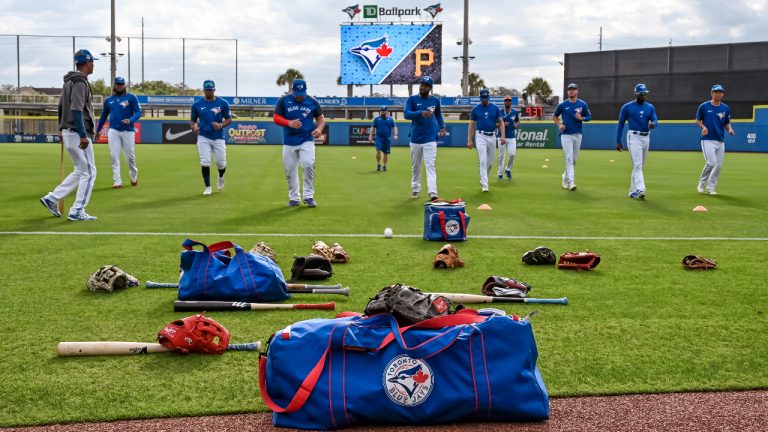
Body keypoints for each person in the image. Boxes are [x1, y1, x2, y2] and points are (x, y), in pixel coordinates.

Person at [39, 49, 99, 221]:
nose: (93, 64)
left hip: (68, 131)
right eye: (92, 62)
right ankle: (77, 210)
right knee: (89, 172)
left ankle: (52, 198)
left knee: (80, 170)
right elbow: (76, 109)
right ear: (87, 62)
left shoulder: (68, 81)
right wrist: (82, 135)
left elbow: (60, 107)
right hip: (77, 132)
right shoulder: (80, 81)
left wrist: (61, 130)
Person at [273, 79, 325, 207]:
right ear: (292, 90)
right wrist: (288, 123)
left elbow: (320, 118)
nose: (300, 96)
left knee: (308, 164)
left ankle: (308, 196)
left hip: (306, 139)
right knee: (290, 170)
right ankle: (294, 198)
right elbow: (276, 117)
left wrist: (319, 129)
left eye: (302, 92)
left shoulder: (312, 101)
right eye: (297, 93)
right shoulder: (284, 100)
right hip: (289, 140)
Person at [404, 75, 446, 200]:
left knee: (430, 165)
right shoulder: (412, 99)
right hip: (416, 138)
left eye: (426, 85)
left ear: (430, 88)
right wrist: (420, 112)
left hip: (430, 138)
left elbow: (438, 115)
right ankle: (415, 188)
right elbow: (406, 114)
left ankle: (433, 193)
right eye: (422, 84)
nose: (423, 87)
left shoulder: (434, 101)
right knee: (416, 166)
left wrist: (442, 126)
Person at [95, 76, 142, 188]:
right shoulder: (108, 100)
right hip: (113, 130)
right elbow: (103, 116)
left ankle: (133, 175)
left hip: (128, 131)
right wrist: (98, 130)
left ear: (124, 85)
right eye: (117, 84)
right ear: (114, 85)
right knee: (114, 155)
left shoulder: (131, 97)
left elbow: (139, 112)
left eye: (121, 84)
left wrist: (130, 120)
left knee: (130, 157)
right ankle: (117, 181)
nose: (119, 86)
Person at [616, 83, 658, 200]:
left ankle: (632, 191)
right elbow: (620, 124)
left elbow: (655, 119)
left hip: (646, 137)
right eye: (641, 93)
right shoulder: (627, 107)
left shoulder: (650, 107)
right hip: (633, 137)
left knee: (639, 166)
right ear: (636, 94)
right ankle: (641, 189)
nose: (644, 95)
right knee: (638, 165)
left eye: (645, 93)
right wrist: (618, 141)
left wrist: (653, 124)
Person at [190, 80, 232, 196]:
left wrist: (221, 125)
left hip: (218, 137)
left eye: (211, 90)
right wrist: (193, 127)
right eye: (207, 90)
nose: (209, 92)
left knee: (221, 163)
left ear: (214, 90)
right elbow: (192, 120)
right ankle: (208, 187)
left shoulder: (223, 103)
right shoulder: (197, 105)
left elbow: (229, 119)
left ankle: (221, 176)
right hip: (203, 136)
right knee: (205, 162)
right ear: (203, 90)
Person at [696, 84, 735, 195]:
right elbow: (697, 120)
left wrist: (730, 129)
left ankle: (711, 188)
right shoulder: (704, 106)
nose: (718, 94)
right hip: (707, 139)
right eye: (716, 91)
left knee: (719, 166)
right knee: (711, 163)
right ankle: (701, 183)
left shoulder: (725, 108)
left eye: (720, 92)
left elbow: (727, 123)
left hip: (720, 140)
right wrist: (703, 127)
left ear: (722, 94)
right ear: (711, 93)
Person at [553, 83, 591, 191]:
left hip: (577, 134)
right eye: (569, 89)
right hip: (566, 134)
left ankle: (565, 177)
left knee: (574, 160)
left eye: (573, 89)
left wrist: (582, 118)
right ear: (567, 92)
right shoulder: (563, 105)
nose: (571, 91)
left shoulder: (582, 104)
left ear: (577, 91)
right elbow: (555, 116)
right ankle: (571, 182)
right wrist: (559, 125)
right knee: (569, 158)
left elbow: (589, 117)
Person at [467, 88, 504, 192]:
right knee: (483, 160)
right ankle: (485, 184)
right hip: (480, 136)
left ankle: (484, 178)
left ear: (488, 97)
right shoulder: (475, 109)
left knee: (490, 163)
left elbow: (501, 122)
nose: (484, 100)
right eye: (482, 98)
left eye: (486, 98)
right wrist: (469, 139)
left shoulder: (495, 108)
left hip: (492, 136)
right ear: (480, 98)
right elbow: (472, 125)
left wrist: (503, 136)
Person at [368, 106, 398, 171]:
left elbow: (394, 127)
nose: (382, 112)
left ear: (386, 111)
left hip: (387, 139)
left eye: (384, 111)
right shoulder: (376, 119)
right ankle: (378, 164)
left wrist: (395, 134)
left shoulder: (391, 119)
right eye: (381, 111)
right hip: (379, 138)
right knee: (378, 150)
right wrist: (370, 136)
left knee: (385, 153)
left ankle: (384, 165)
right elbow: (373, 128)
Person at [497, 95, 520, 180]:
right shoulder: (499, 112)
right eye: (506, 100)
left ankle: (508, 169)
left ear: (511, 102)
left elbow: (517, 121)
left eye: (509, 100)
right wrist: (501, 124)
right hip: (501, 136)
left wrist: (516, 125)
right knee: (501, 156)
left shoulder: (515, 112)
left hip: (511, 136)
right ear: (504, 102)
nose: (507, 102)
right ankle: (500, 173)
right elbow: (495, 124)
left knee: (512, 154)